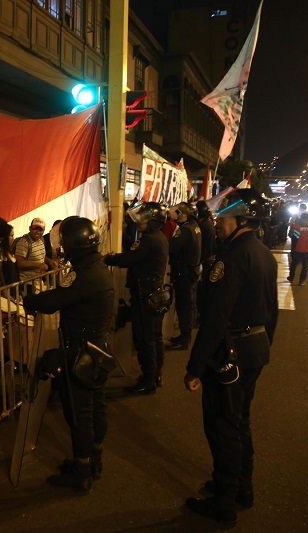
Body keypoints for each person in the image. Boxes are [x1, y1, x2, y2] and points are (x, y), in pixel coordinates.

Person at [183, 189, 278, 527]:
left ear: (241, 220)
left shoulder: (233, 257)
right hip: (255, 350)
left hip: (230, 354)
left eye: (223, 218)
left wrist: (195, 366)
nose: (218, 223)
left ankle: (224, 503)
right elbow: (273, 311)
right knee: (240, 420)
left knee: (223, 425)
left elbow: (215, 317)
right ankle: (241, 487)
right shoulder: (264, 253)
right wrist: (265, 345)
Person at [23, 217, 114, 492]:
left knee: (80, 413)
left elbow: (55, 301)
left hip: (81, 352)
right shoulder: (96, 267)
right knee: (96, 407)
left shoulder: (83, 272)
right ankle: (93, 461)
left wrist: (30, 301)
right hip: (97, 348)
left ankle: (82, 470)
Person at [104, 202, 169, 393]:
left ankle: (148, 381)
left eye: (145, 218)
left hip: (145, 297)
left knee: (145, 340)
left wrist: (109, 258)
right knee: (155, 338)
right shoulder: (160, 238)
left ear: (153, 222)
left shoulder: (148, 240)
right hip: (154, 295)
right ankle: (155, 375)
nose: (140, 221)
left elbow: (128, 259)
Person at [166, 202, 202, 351]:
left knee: (184, 305)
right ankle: (184, 336)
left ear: (185, 214)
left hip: (184, 272)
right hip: (191, 271)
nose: (176, 215)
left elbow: (172, 246)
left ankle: (184, 338)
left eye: (178, 212)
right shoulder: (194, 226)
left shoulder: (185, 230)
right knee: (187, 304)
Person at [15, 217, 49, 294]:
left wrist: (49, 262)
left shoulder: (41, 240)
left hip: (38, 282)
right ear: (30, 228)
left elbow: (40, 256)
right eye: (35, 229)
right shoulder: (24, 242)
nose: (38, 232)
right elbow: (19, 263)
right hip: (27, 283)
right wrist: (38, 265)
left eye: (40, 230)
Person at [287, 212, 308, 286]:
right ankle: (302, 281)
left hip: (296, 248)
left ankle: (291, 277)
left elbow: (290, 235)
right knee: (305, 265)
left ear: (301, 217)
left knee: (294, 264)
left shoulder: (295, 226)